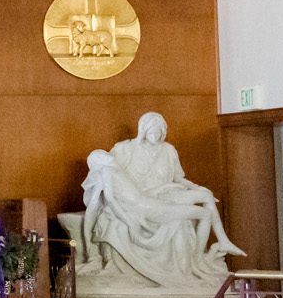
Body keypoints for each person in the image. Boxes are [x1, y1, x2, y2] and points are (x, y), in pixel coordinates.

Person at [78, 111, 241, 287]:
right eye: (151, 132)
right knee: (203, 214)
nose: (155, 136)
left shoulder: (167, 151)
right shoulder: (117, 160)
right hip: (148, 204)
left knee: (206, 195)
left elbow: (178, 178)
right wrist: (126, 220)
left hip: (161, 196)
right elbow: (104, 199)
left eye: (159, 132)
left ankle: (217, 245)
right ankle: (197, 262)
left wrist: (195, 187)